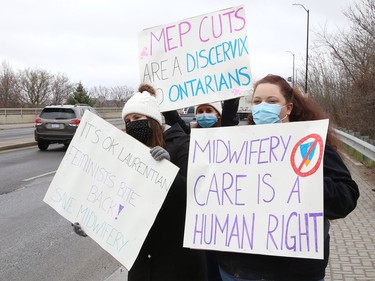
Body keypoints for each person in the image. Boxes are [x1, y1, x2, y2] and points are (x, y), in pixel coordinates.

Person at [215, 74, 360, 281]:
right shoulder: (237, 148)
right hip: (240, 270)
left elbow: (345, 197)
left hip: (295, 271)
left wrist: (299, 179)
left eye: (272, 101)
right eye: (257, 102)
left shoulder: (309, 145)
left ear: (288, 108)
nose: (263, 106)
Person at [73, 83, 207, 281]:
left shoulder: (181, 144)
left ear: (153, 121)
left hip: (177, 257)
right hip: (142, 259)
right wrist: (91, 223)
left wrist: (168, 171)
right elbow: (116, 199)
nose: (132, 124)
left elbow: (196, 194)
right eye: (128, 121)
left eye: (137, 118)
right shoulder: (127, 155)